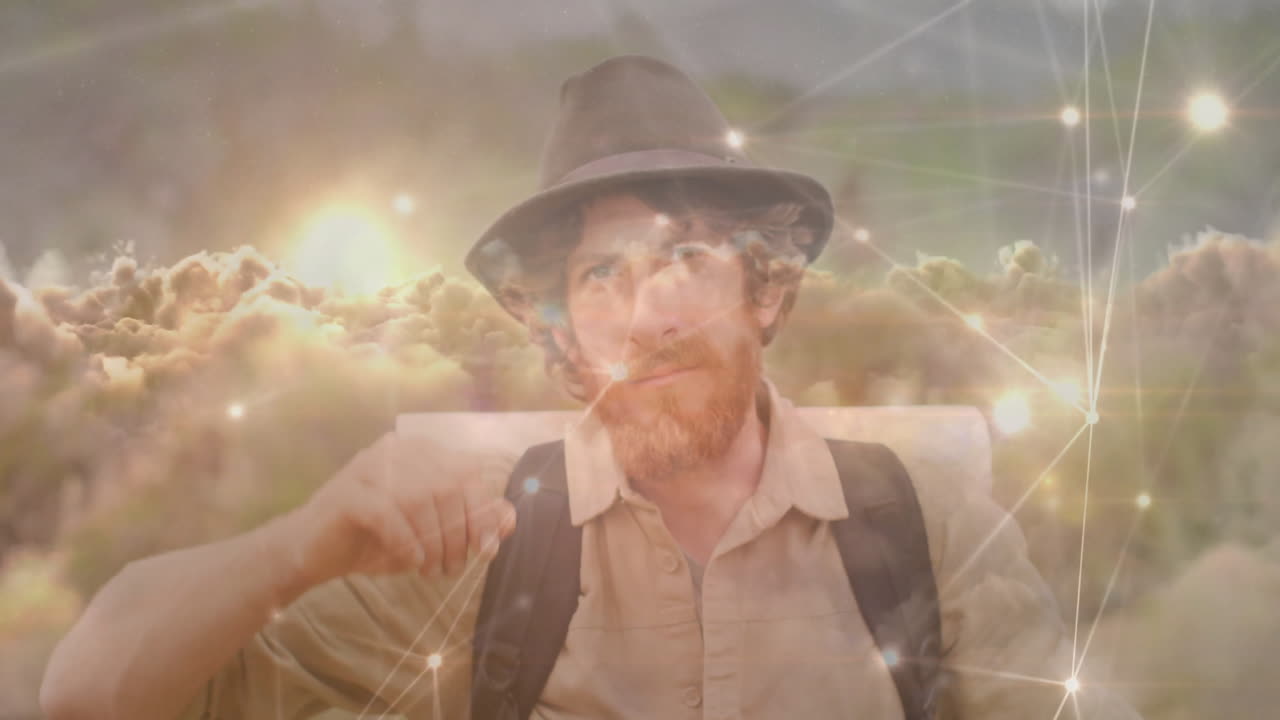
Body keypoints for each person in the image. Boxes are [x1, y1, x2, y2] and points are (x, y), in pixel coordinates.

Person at [40, 56, 1140, 720]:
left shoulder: (929, 524)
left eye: (686, 257)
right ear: (564, 334)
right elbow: (87, 696)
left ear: (763, 292)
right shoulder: (479, 545)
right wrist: (304, 540)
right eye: (601, 274)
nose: (647, 312)